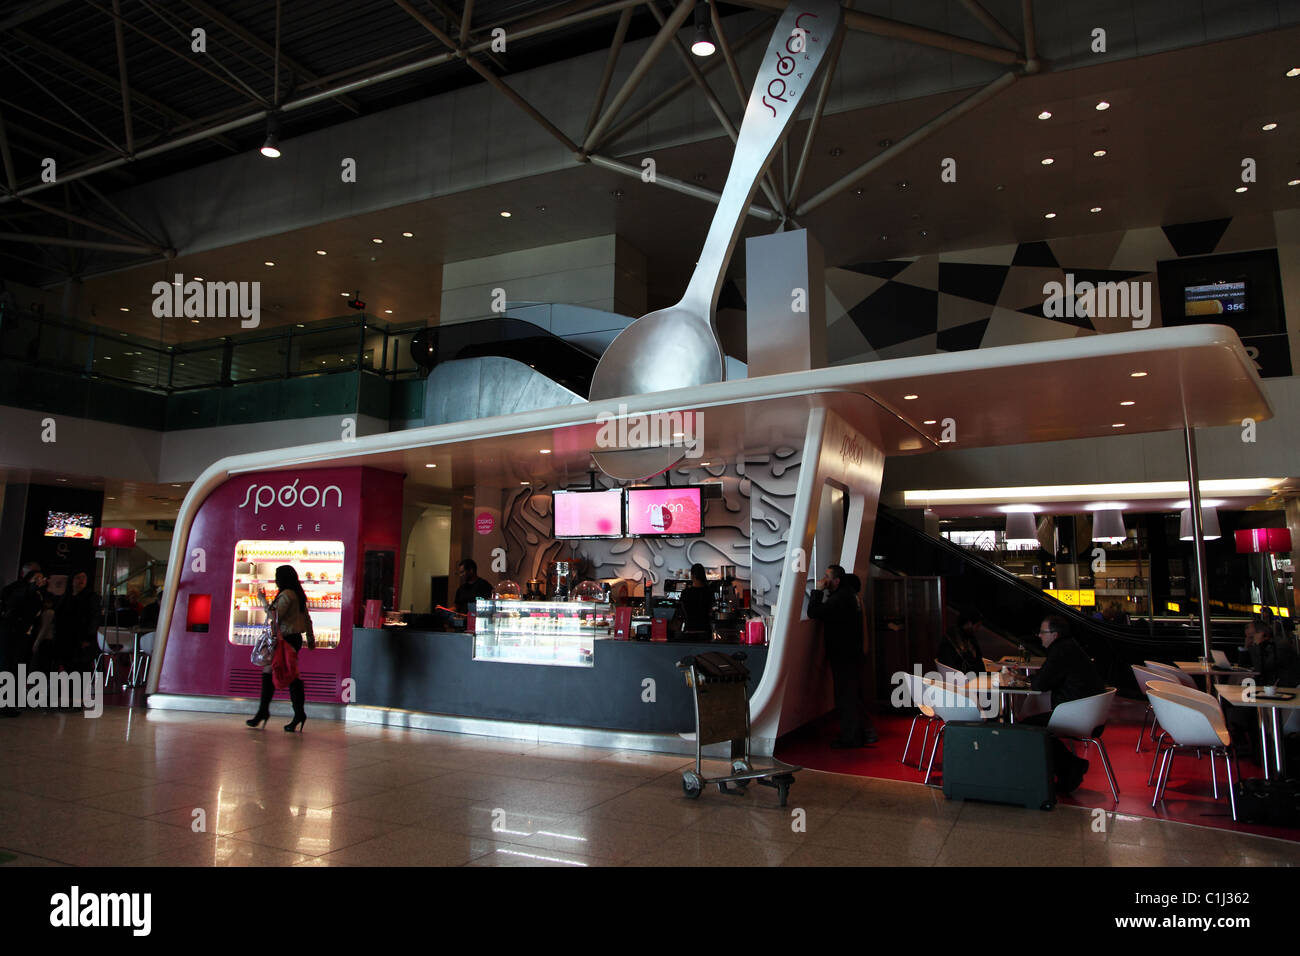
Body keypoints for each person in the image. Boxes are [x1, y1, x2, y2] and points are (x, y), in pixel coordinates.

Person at [1024, 615, 1105, 794]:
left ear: (1055, 634)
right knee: (1035, 727)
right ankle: (1071, 767)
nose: (1039, 635)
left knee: (1026, 728)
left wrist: (1027, 679)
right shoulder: (1070, 647)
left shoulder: (1060, 652)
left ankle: (1070, 767)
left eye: (1043, 632)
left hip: (1077, 714)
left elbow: (1041, 685)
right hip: (1089, 712)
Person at [807, 564, 878, 748]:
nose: (824, 580)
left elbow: (813, 612)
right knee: (852, 695)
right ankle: (860, 734)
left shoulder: (838, 600)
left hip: (843, 654)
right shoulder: (851, 598)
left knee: (845, 697)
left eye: (827, 577)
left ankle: (850, 738)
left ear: (836, 580)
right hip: (852, 653)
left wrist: (818, 591)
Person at [248, 565, 314, 732]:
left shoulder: (287, 595)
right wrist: (310, 638)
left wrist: (262, 599)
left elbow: (274, 616)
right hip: (293, 639)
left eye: (277, 576)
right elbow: (307, 618)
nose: (276, 580)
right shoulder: (297, 595)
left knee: (284, 674)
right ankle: (289, 713)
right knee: (276, 671)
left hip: (286, 639)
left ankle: (268, 712)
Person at [1, 568, 46, 716]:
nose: (40, 580)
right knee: (9, 668)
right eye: (36, 578)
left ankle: (11, 703)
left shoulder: (37, 594)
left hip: (23, 636)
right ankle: (5, 704)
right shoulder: (20, 590)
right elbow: (16, 603)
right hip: (13, 635)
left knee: (17, 668)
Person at [56, 572, 99, 674]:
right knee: (67, 667)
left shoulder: (91, 597)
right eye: (78, 577)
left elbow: (94, 617)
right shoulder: (66, 597)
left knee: (81, 668)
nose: (81, 580)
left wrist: (88, 637)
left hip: (81, 638)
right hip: (66, 638)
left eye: (84, 577)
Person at [1247, 614, 1300, 688]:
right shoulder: (1267, 645)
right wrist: (1247, 646)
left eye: (1252, 636)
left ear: (1262, 633)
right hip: (1278, 685)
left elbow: (1261, 669)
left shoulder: (1279, 646)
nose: (1251, 640)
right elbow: (1247, 665)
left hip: (1290, 685)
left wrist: (1255, 646)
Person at [939, 609, 984, 675]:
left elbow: (978, 660)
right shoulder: (950, 641)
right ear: (969, 624)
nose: (978, 629)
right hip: (963, 679)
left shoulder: (968, 636)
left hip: (971, 676)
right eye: (977, 626)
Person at [676, 563, 713, 637]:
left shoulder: (685, 592)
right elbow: (711, 611)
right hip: (705, 630)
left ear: (692, 576)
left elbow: (681, 612)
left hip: (689, 629)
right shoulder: (709, 592)